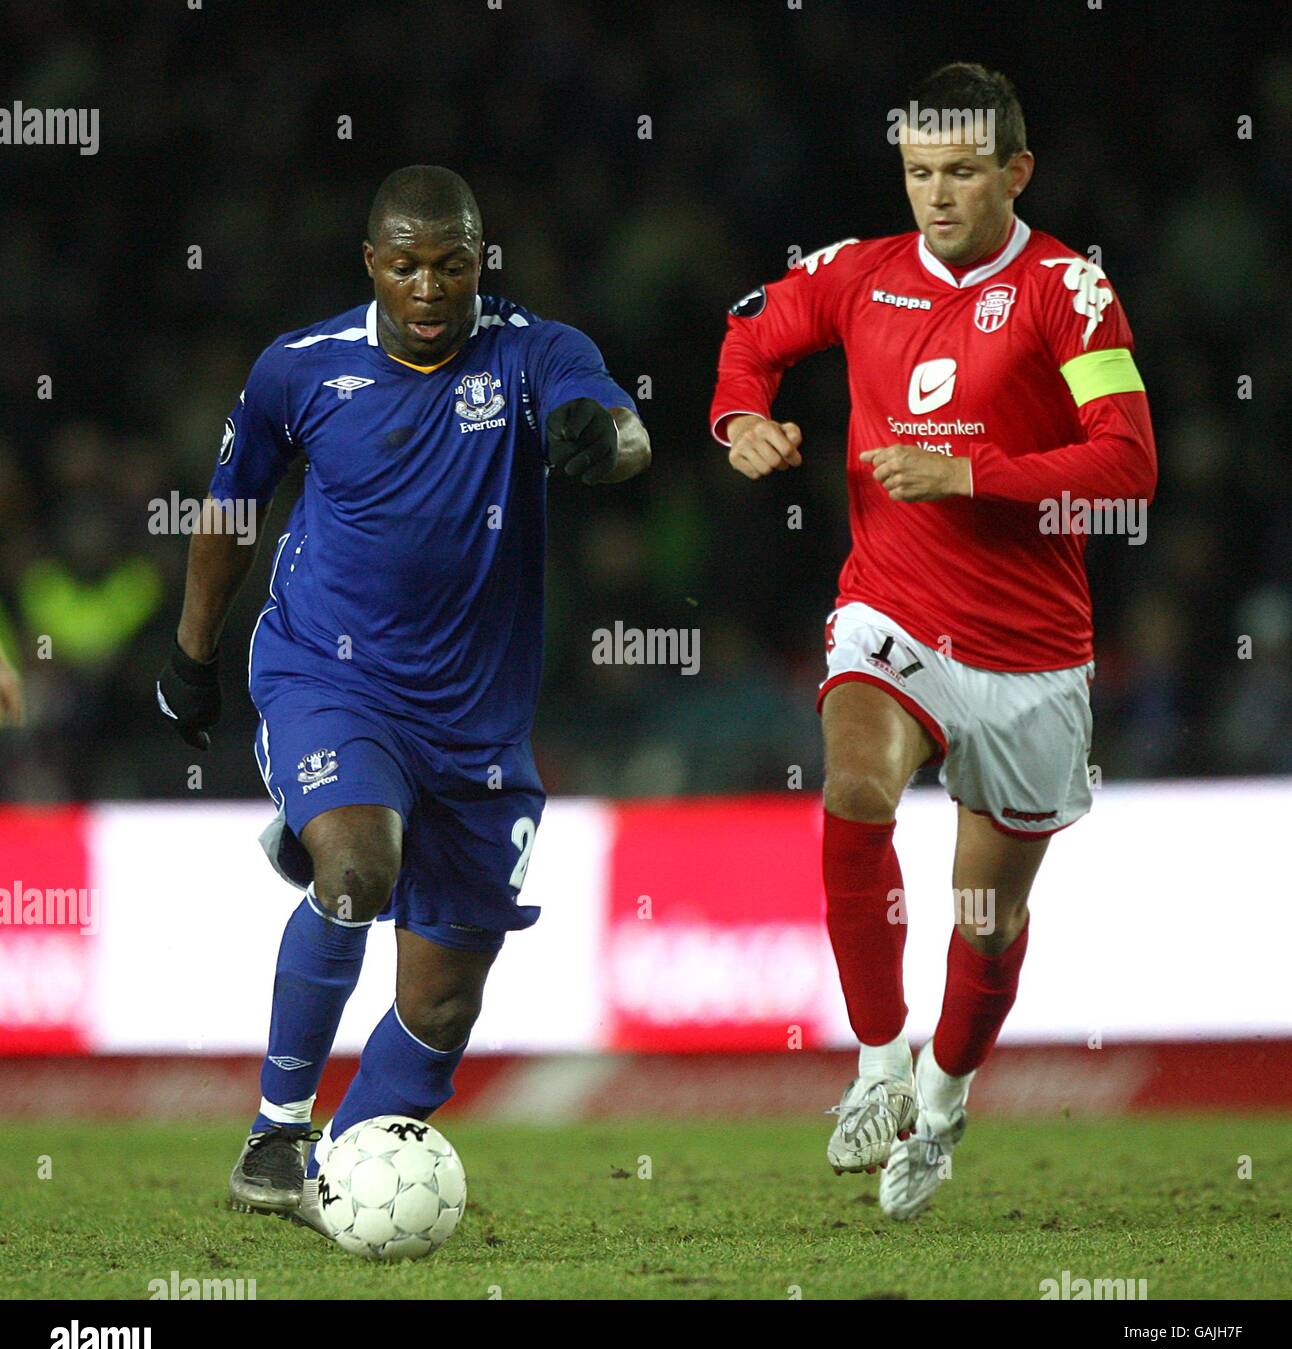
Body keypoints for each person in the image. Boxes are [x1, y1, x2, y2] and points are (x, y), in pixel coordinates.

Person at [158, 165, 649, 1226]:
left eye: (452, 263)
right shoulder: (300, 370)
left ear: (480, 261)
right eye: (407, 264)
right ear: (372, 263)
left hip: (476, 721)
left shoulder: (530, 352)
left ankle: (340, 1177)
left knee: (440, 998)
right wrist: (191, 659)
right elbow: (229, 509)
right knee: (356, 866)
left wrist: (598, 442)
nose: (429, 286)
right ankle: (276, 1136)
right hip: (330, 675)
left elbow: (619, 425)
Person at [709, 64, 1155, 1220]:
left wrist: (973, 473)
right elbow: (750, 331)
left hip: (1032, 653)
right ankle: (873, 1062)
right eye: (918, 173)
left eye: (961, 172)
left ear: (1015, 170)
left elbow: (1126, 462)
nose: (936, 196)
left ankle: (944, 1101)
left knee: (985, 925)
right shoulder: (860, 274)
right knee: (853, 786)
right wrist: (740, 417)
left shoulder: (1070, 291)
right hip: (893, 612)